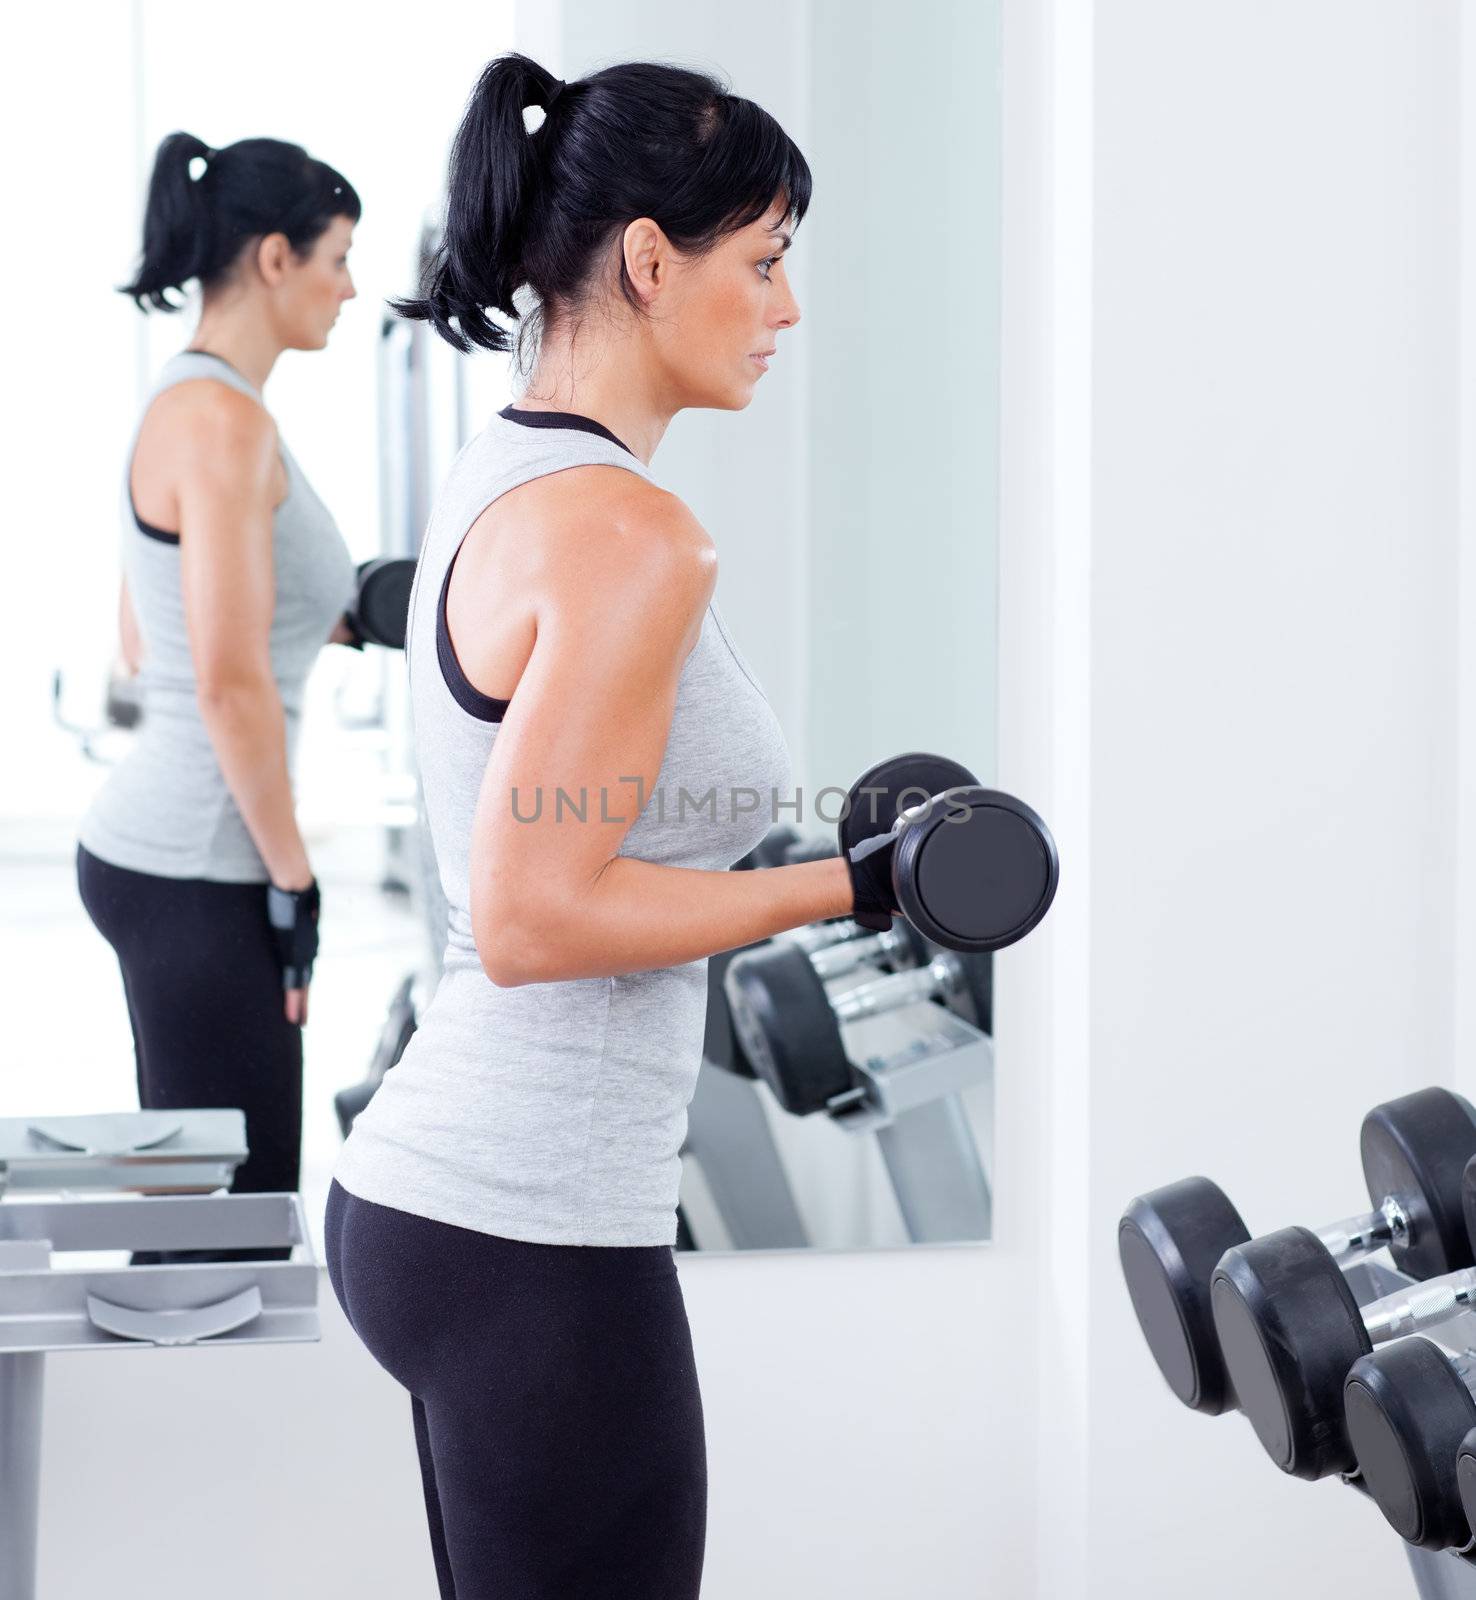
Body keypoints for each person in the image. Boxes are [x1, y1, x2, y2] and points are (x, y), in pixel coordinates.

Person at [326, 54, 899, 1598]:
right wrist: (847, 887)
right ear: (652, 261)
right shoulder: (633, 534)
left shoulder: (509, 467)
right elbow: (534, 919)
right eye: (765, 264)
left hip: (449, 1203)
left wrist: (833, 854)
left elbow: (574, 837)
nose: (786, 311)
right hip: (535, 1232)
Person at [77, 133, 362, 1227]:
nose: (348, 287)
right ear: (276, 258)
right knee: (227, 1224)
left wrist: (348, 618)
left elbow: (149, 636)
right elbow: (226, 685)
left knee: (201, 1208)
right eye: (338, 257)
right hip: (201, 868)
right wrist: (294, 883)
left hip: (168, 853)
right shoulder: (225, 423)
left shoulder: (188, 401)